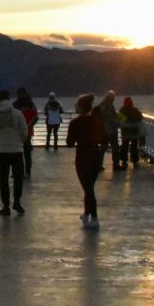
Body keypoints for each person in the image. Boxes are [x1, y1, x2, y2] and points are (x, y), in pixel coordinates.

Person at [64, 93, 104, 229]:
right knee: (89, 186)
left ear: (81, 107)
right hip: (96, 156)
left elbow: (69, 143)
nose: (75, 106)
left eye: (77, 105)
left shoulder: (75, 123)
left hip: (82, 157)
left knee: (88, 189)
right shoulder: (97, 120)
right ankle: (87, 214)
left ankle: (95, 218)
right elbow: (104, 138)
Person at [0, 90, 29, 215]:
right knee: (18, 178)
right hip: (16, 150)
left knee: (3, 180)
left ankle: (6, 206)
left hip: (1, 151)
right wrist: (19, 142)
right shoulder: (18, 114)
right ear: (9, 99)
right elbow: (24, 131)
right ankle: (17, 202)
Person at [13, 88, 38, 178]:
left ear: (25, 93)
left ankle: (27, 172)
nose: (20, 95)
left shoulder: (30, 104)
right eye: (19, 93)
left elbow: (35, 117)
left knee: (27, 153)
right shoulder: (15, 105)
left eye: (22, 93)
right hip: (17, 133)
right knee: (17, 153)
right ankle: (18, 171)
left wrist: (28, 126)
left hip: (28, 132)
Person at [117, 96, 146, 169]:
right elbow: (140, 118)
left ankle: (124, 161)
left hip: (125, 131)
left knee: (124, 146)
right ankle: (135, 161)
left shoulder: (122, 110)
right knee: (134, 146)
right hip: (134, 131)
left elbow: (119, 119)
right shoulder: (135, 110)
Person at [97, 91, 121, 170]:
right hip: (110, 129)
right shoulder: (108, 106)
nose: (114, 99)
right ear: (111, 98)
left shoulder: (102, 105)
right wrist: (118, 122)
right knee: (115, 148)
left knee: (103, 147)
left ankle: (99, 164)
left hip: (104, 129)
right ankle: (116, 165)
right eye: (113, 97)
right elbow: (110, 118)